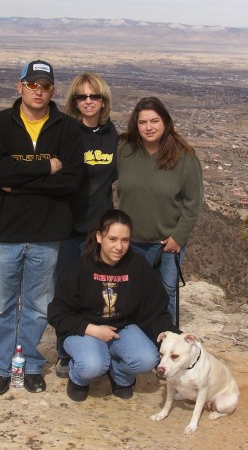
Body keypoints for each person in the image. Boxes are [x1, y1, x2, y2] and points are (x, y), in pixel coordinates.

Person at [0, 59, 83, 397]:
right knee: (2, 305)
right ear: (19, 86)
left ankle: (31, 365)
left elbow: (71, 180)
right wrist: (46, 165)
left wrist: (18, 181)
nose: (39, 91)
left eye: (45, 86)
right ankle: (0, 367)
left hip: (47, 232)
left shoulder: (67, 128)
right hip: (6, 232)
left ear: (53, 90)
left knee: (39, 305)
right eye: (33, 85)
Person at [47, 209, 180, 402]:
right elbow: (58, 314)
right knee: (92, 365)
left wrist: (174, 336)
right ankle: (78, 378)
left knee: (147, 359)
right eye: (113, 239)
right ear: (100, 237)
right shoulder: (79, 268)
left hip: (122, 329)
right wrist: (92, 329)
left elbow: (154, 308)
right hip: (84, 330)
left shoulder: (137, 266)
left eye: (125, 240)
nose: (119, 246)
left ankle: (120, 374)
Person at [117, 97, 204, 324]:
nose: (148, 127)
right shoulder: (124, 150)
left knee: (165, 296)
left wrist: (178, 237)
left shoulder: (184, 156)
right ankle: (137, 345)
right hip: (129, 243)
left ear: (165, 122)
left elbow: (193, 201)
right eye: (142, 122)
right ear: (135, 124)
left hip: (166, 245)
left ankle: (166, 347)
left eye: (154, 121)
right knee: (132, 295)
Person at [54, 72, 118, 376]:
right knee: (66, 290)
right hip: (66, 227)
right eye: (82, 96)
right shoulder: (66, 131)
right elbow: (45, 167)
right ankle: (65, 350)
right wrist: (4, 186)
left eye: (95, 96)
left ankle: (96, 346)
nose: (88, 101)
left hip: (99, 230)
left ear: (103, 100)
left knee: (98, 292)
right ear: (74, 101)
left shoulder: (111, 133)